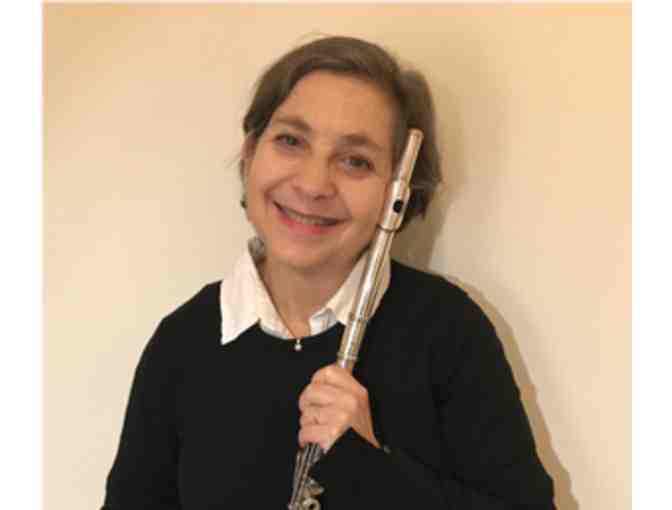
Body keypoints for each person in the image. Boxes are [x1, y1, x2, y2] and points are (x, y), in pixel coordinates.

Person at [101, 36, 555, 509]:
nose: (313, 184)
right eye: (291, 141)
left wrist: (370, 470)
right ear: (251, 152)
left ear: (397, 193)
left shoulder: (447, 330)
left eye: (356, 161)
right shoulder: (183, 342)